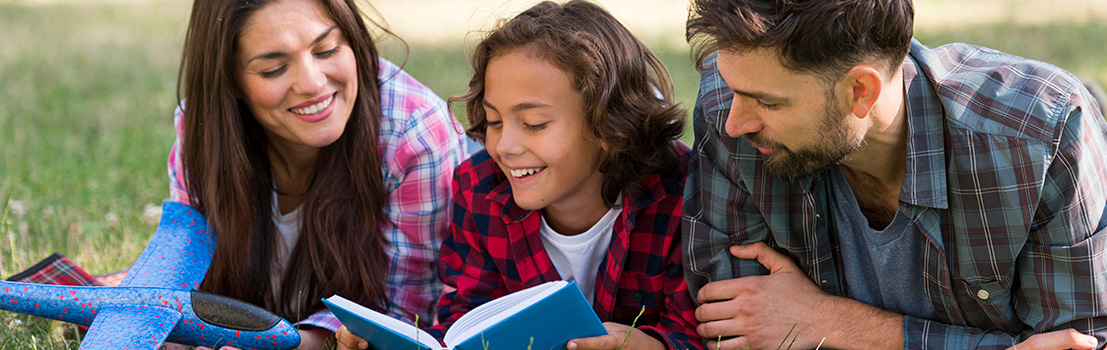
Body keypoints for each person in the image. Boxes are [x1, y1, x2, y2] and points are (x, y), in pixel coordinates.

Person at [680, 0, 1107, 349]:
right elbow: (734, 332)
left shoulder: (1038, 137)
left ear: (860, 91)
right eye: (733, 89)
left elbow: (1082, 341)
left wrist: (836, 323)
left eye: (768, 103)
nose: (735, 123)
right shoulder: (728, 111)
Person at [332, 1, 701, 349]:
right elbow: (466, 323)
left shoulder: (680, 193)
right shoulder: (479, 189)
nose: (504, 146)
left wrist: (645, 345)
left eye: (534, 124)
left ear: (610, 125)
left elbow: (699, 334)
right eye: (494, 120)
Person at [164, 0, 466, 348]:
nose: (312, 83)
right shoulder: (202, 129)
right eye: (274, 69)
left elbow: (405, 314)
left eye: (327, 49)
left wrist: (281, 344)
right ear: (230, 80)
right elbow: (185, 284)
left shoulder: (414, 133)